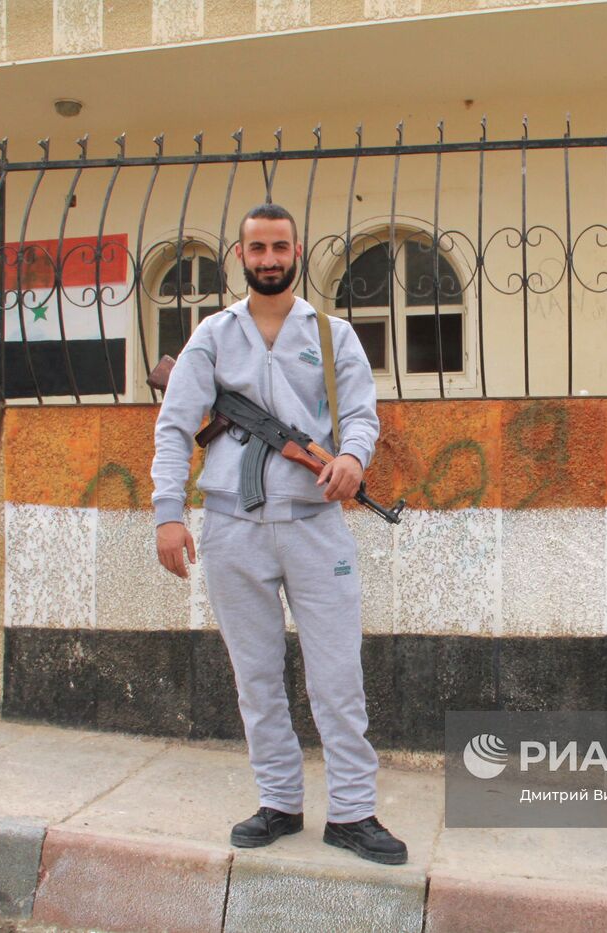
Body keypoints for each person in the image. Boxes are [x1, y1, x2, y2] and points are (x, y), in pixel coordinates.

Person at [150, 203, 407, 865]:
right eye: (257, 248)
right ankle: (279, 801)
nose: (269, 258)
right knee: (257, 677)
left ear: (297, 251)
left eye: (279, 247)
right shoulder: (212, 336)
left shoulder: (332, 334)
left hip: (315, 526)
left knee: (337, 677)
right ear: (241, 256)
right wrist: (168, 513)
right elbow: (175, 426)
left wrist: (351, 459)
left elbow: (360, 415)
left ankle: (352, 811)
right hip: (232, 528)